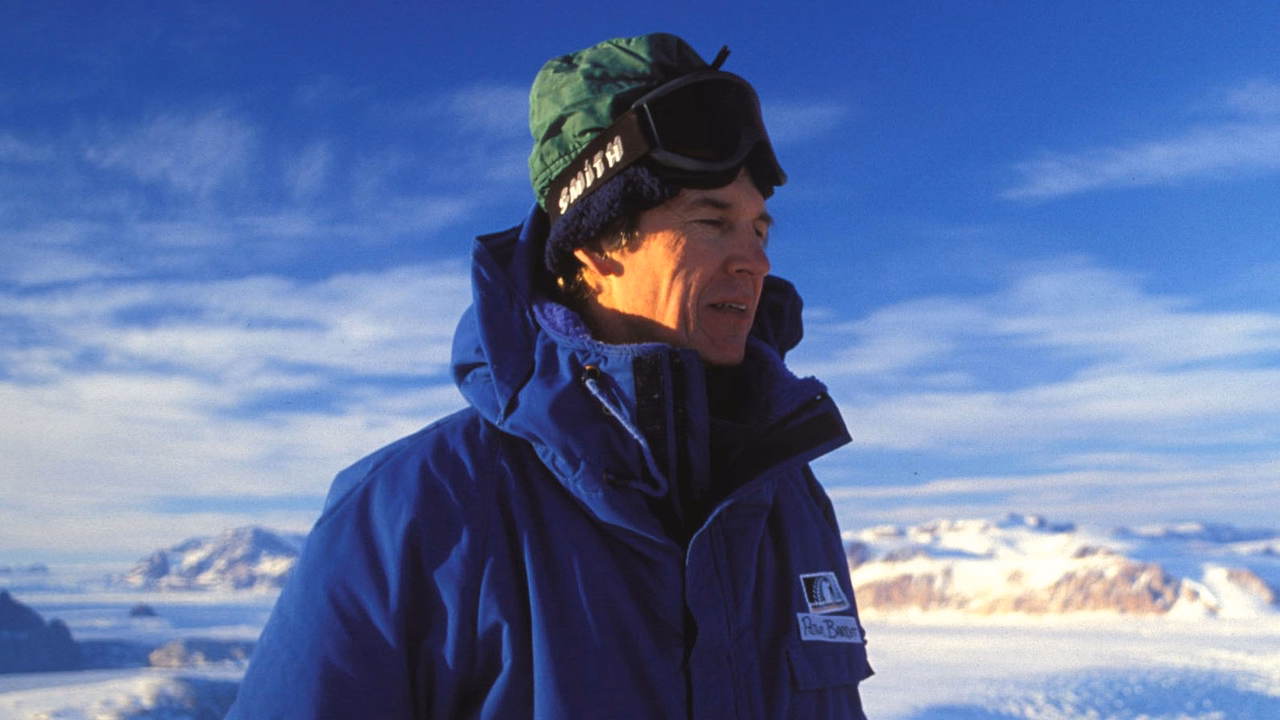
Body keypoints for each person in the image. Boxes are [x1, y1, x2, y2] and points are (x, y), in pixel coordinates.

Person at [226, 32, 872, 719]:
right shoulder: (413, 513)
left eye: (760, 230)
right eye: (712, 220)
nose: (756, 261)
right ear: (594, 246)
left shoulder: (790, 498)